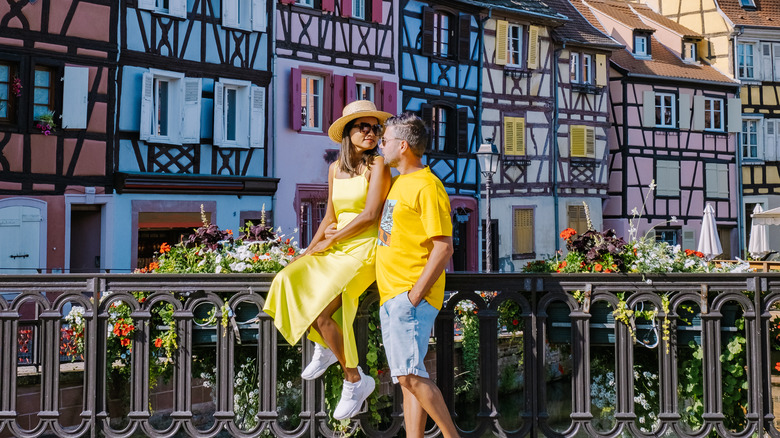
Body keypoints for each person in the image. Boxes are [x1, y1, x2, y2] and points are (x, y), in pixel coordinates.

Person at [263, 100, 392, 420]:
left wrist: (333, 238)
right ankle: (324, 346)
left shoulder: (379, 165)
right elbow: (330, 215)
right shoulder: (336, 169)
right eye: (363, 127)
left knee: (327, 313)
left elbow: (370, 215)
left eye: (375, 127)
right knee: (288, 277)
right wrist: (310, 247)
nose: (371, 133)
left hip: (364, 249)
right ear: (348, 133)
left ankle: (354, 380)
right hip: (336, 246)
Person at [375, 113, 460, 438]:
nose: (381, 145)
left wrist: (413, 296)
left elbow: (443, 247)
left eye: (385, 140)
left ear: (403, 145)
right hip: (394, 296)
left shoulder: (427, 185)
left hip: (408, 298)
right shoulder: (400, 183)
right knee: (407, 377)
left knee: (410, 376)